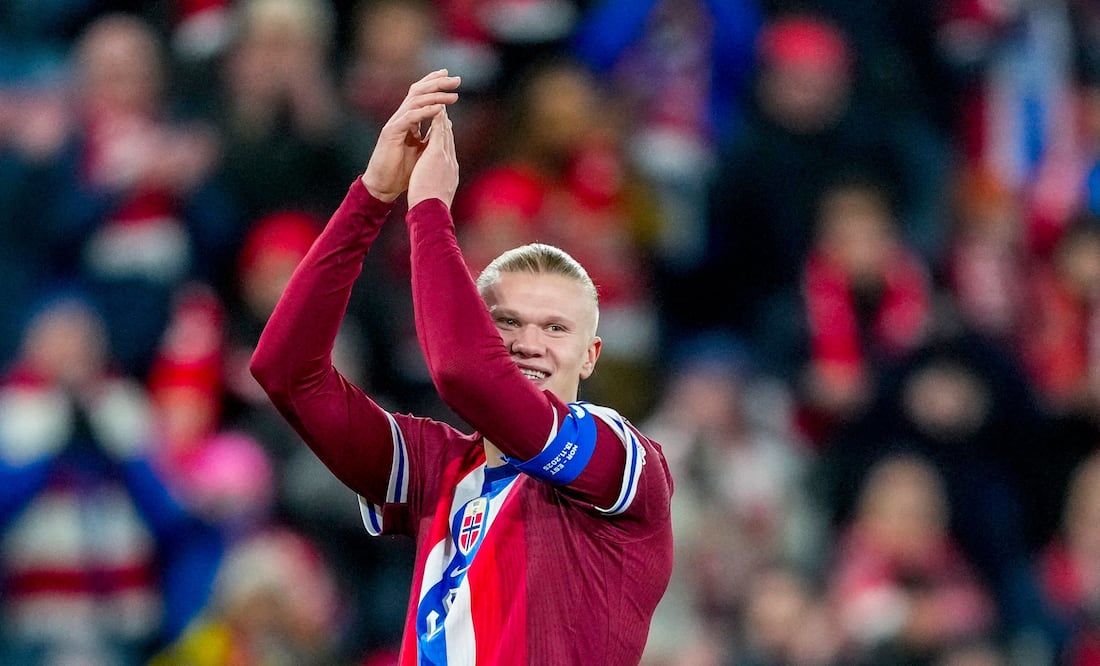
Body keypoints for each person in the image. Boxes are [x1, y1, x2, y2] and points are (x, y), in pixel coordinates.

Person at [250, 70, 674, 664]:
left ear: (591, 354)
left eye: (555, 328)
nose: (528, 343)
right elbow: (287, 371)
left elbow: (464, 374)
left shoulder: (621, 461)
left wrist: (428, 210)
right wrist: (372, 197)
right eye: (504, 322)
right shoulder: (436, 467)